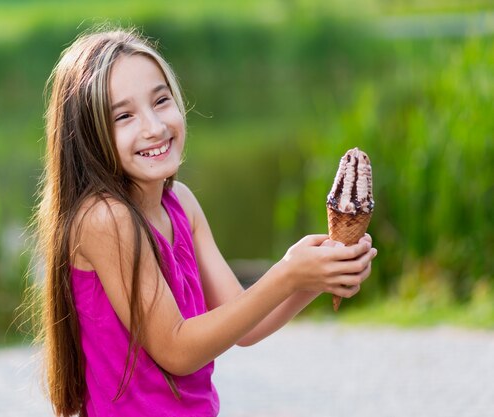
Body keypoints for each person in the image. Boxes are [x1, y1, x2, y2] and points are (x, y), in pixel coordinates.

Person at [34, 27, 377, 417]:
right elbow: (177, 350)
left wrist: (316, 277)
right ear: (88, 137)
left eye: (161, 101)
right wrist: (288, 275)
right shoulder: (104, 219)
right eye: (124, 115)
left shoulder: (182, 203)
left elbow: (244, 326)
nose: (154, 127)